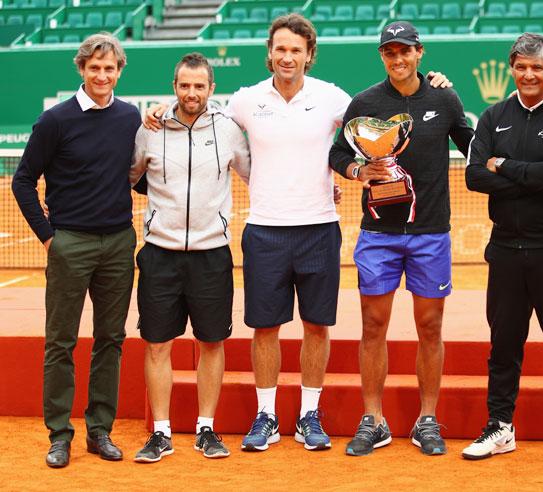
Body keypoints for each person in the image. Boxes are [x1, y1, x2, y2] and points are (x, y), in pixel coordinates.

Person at [145, 14, 451, 453]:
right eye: (281, 49)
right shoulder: (247, 101)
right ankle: (266, 415)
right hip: (265, 231)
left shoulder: (332, 99)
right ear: (270, 53)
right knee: (265, 329)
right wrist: (160, 109)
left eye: (296, 50)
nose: (287, 57)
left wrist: (431, 81)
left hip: (319, 229)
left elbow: (376, 119)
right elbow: (198, 113)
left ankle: (310, 413)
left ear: (310, 55)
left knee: (316, 327)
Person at [328, 21, 474, 456]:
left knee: (430, 326)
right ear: (382, 57)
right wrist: (357, 170)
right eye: (390, 52)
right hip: (379, 233)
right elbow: (339, 153)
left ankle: (427, 418)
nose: (398, 58)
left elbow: (471, 143)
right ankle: (373, 419)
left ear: (419, 53)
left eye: (405, 51)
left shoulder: (444, 97)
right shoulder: (365, 102)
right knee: (374, 326)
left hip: (431, 233)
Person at [12, 33, 141, 468]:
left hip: (119, 243)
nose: (102, 75)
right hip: (71, 244)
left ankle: (99, 430)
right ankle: (59, 434)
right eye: (94, 68)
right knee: (60, 342)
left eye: (110, 68)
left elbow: (135, 175)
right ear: (82, 70)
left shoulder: (129, 118)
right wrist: (50, 237)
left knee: (111, 339)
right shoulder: (56, 121)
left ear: (119, 71)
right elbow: (23, 180)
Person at [462, 33, 543, 466]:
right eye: (521, 66)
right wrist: (533, 171)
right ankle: (500, 427)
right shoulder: (492, 115)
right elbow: (474, 177)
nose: (529, 74)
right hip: (505, 250)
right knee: (503, 345)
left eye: (538, 67)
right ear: (512, 68)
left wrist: (506, 166)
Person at [130, 53, 250, 463]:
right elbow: (127, 176)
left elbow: (260, 175)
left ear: (212, 89)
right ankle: (161, 432)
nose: (192, 93)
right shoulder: (150, 130)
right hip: (160, 254)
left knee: (211, 342)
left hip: (211, 253)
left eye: (200, 86)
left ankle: (206, 428)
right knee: (157, 344)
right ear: (174, 86)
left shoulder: (230, 131)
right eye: (184, 85)